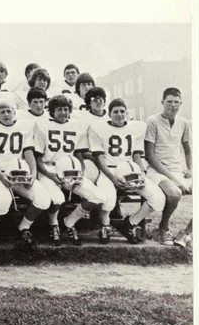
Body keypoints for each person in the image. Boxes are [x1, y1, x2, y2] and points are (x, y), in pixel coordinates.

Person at [89, 98, 165, 243]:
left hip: (131, 171)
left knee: (158, 199)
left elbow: (137, 155)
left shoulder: (136, 128)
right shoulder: (99, 128)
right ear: (109, 114)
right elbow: (99, 159)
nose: (119, 114)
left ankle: (130, 223)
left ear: (127, 112)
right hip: (109, 170)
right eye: (115, 112)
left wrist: (142, 175)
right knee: (108, 202)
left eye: (122, 111)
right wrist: (113, 179)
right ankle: (105, 225)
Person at [34, 95, 105, 245]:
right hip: (49, 168)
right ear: (52, 111)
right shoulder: (42, 125)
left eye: (66, 109)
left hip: (70, 170)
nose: (63, 113)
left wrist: (82, 170)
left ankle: (69, 222)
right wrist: (50, 175)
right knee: (57, 199)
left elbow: (78, 153)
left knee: (97, 196)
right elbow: (38, 159)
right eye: (59, 109)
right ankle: (54, 225)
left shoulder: (76, 126)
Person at [0, 100, 50, 249]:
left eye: (9, 111)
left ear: (15, 112)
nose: (6, 114)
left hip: (20, 172)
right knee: (3, 201)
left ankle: (23, 227)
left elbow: (29, 152)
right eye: (2, 112)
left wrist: (32, 175)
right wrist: (1, 177)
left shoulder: (24, 127)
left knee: (43, 199)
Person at [144, 87, 192, 245]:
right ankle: (163, 228)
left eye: (176, 102)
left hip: (177, 170)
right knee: (174, 194)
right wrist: (173, 179)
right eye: (169, 102)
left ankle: (186, 234)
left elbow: (187, 149)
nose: (173, 105)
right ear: (162, 102)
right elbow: (150, 156)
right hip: (157, 171)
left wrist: (189, 170)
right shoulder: (152, 121)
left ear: (181, 103)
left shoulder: (184, 123)